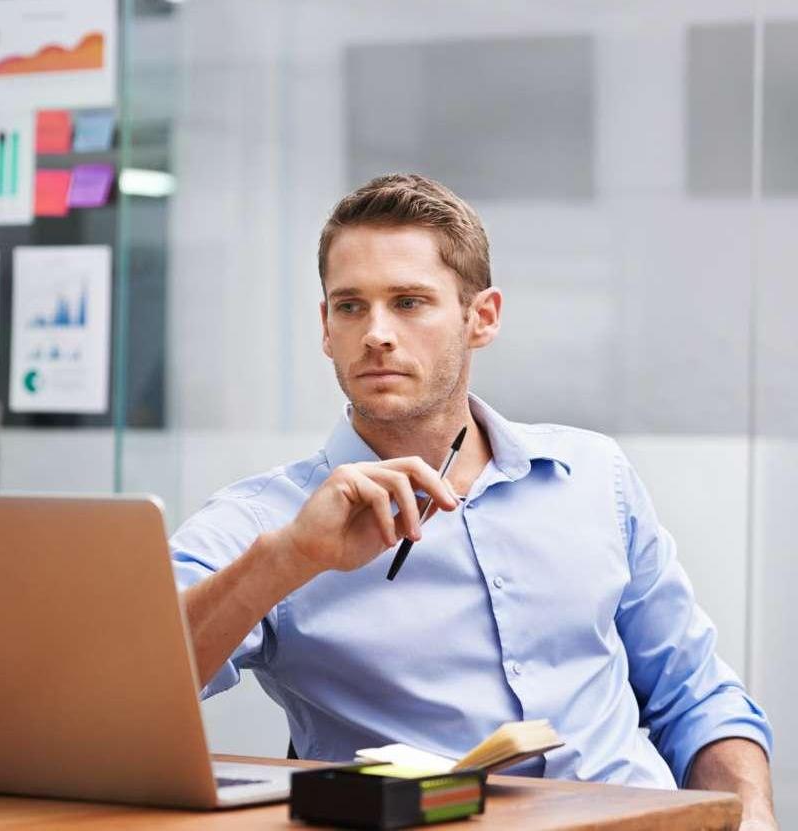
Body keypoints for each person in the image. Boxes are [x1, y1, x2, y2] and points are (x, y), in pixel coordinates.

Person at [171, 174, 777, 828]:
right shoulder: (265, 520)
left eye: (408, 302)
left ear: (480, 317)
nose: (376, 332)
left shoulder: (594, 476)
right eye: (350, 306)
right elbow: (124, 694)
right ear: (325, 327)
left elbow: (699, 700)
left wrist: (753, 817)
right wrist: (287, 559)